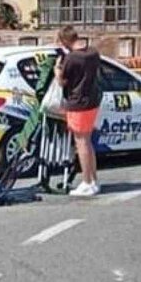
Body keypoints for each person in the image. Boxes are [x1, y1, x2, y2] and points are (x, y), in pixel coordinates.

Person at [54, 26, 102, 197]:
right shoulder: (93, 53)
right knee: (88, 141)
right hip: (92, 100)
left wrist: (57, 70)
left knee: (81, 142)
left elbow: (62, 82)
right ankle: (94, 180)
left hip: (77, 102)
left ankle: (87, 182)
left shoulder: (71, 58)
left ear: (65, 41)